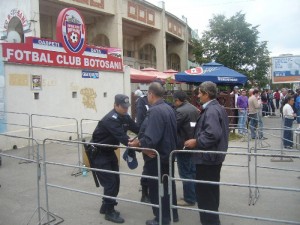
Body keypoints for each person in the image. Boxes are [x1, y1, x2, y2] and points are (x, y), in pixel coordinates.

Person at [129, 81, 179, 225]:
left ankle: (161, 219)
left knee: (157, 190)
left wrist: (138, 144)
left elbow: (151, 138)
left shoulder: (156, 110)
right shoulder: (168, 107)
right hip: (166, 155)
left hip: (157, 157)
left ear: (151, 94)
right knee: (166, 188)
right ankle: (168, 216)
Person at [184, 81, 229, 225]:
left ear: (207, 94)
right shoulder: (216, 108)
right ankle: (212, 220)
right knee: (211, 192)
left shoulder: (212, 110)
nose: (198, 96)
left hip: (208, 158)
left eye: (200, 93)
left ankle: (210, 221)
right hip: (212, 157)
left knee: (206, 194)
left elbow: (212, 134)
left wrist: (196, 142)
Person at [91, 94, 139, 224]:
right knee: (110, 183)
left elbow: (137, 129)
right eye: (123, 107)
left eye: (127, 107)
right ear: (115, 105)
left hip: (109, 153)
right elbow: (124, 139)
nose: (126, 109)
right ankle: (109, 212)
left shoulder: (125, 117)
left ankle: (105, 206)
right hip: (99, 154)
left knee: (115, 182)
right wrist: (142, 147)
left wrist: (147, 135)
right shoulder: (110, 119)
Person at [173, 91, 200, 206]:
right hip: (193, 143)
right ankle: (194, 195)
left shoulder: (180, 111)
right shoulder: (194, 108)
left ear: (178, 100)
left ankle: (189, 198)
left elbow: (173, 126)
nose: (174, 103)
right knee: (192, 171)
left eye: (174, 101)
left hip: (183, 145)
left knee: (185, 172)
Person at [135, 93, 151, 203]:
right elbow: (140, 123)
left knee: (153, 169)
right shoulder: (142, 101)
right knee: (148, 168)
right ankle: (144, 194)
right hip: (146, 139)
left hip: (154, 140)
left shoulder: (160, 103)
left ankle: (151, 191)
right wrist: (141, 146)